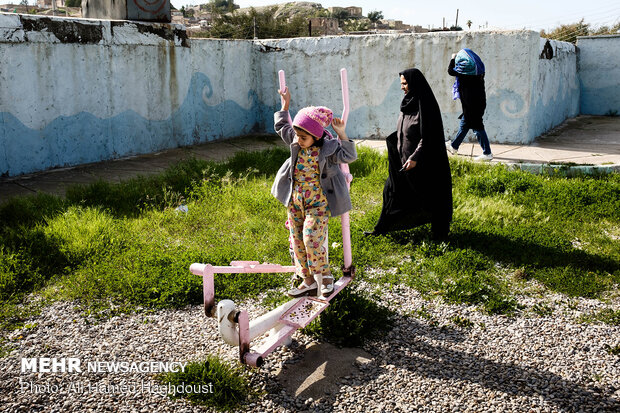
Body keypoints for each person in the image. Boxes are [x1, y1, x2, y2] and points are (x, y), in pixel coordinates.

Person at [272, 87, 357, 298]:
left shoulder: (327, 149)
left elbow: (348, 155)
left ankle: (325, 276)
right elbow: (282, 126)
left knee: (311, 238)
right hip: (295, 202)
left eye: (303, 138)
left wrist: (342, 134)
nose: (298, 140)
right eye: (297, 135)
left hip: (318, 204)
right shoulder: (296, 140)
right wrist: (285, 105)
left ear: (316, 136)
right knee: (297, 240)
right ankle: (308, 281)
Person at [366, 68, 452, 239]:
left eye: (404, 83)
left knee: (431, 198)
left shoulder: (426, 106)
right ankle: (381, 228)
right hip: (403, 161)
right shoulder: (407, 103)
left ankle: (440, 234)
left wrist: (414, 158)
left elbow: (428, 136)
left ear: (414, 83)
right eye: (401, 83)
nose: (402, 87)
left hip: (423, 164)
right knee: (390, 191)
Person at [445, 48, 493, 161]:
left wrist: (453, 58)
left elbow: (450, 71)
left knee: (477, 127)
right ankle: (453, 146)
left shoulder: (464, 74)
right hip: (478, 103)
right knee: (464, 124)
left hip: (471, 106)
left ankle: (487, 153)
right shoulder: (479, 72)